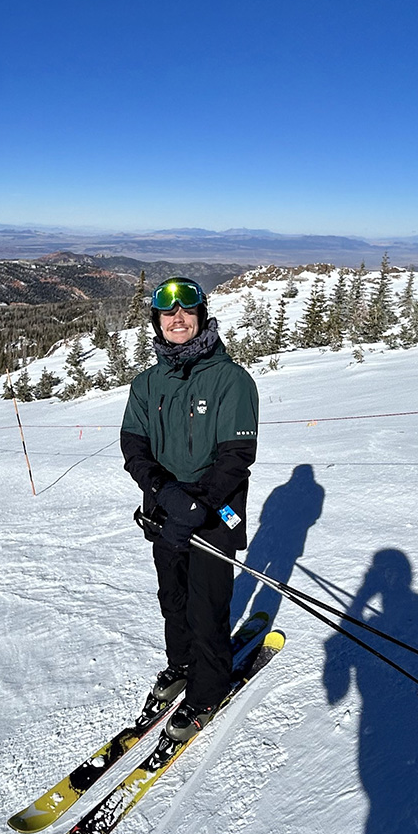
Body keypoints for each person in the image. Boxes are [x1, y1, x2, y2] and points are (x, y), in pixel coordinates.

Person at [120, 277, 259, 742]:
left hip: (215, 513)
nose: (177, 319)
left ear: (201, 315)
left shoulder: (231, 380)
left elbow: (236, 456)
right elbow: (133, 446)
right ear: (157, 324)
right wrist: (161, 490)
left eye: (186, 311)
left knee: (206, 604)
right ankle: (181, 665)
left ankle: (209, 687)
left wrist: (197, 504)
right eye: (167, 314)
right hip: (165, 509)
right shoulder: (147, 383)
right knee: (172, 599)